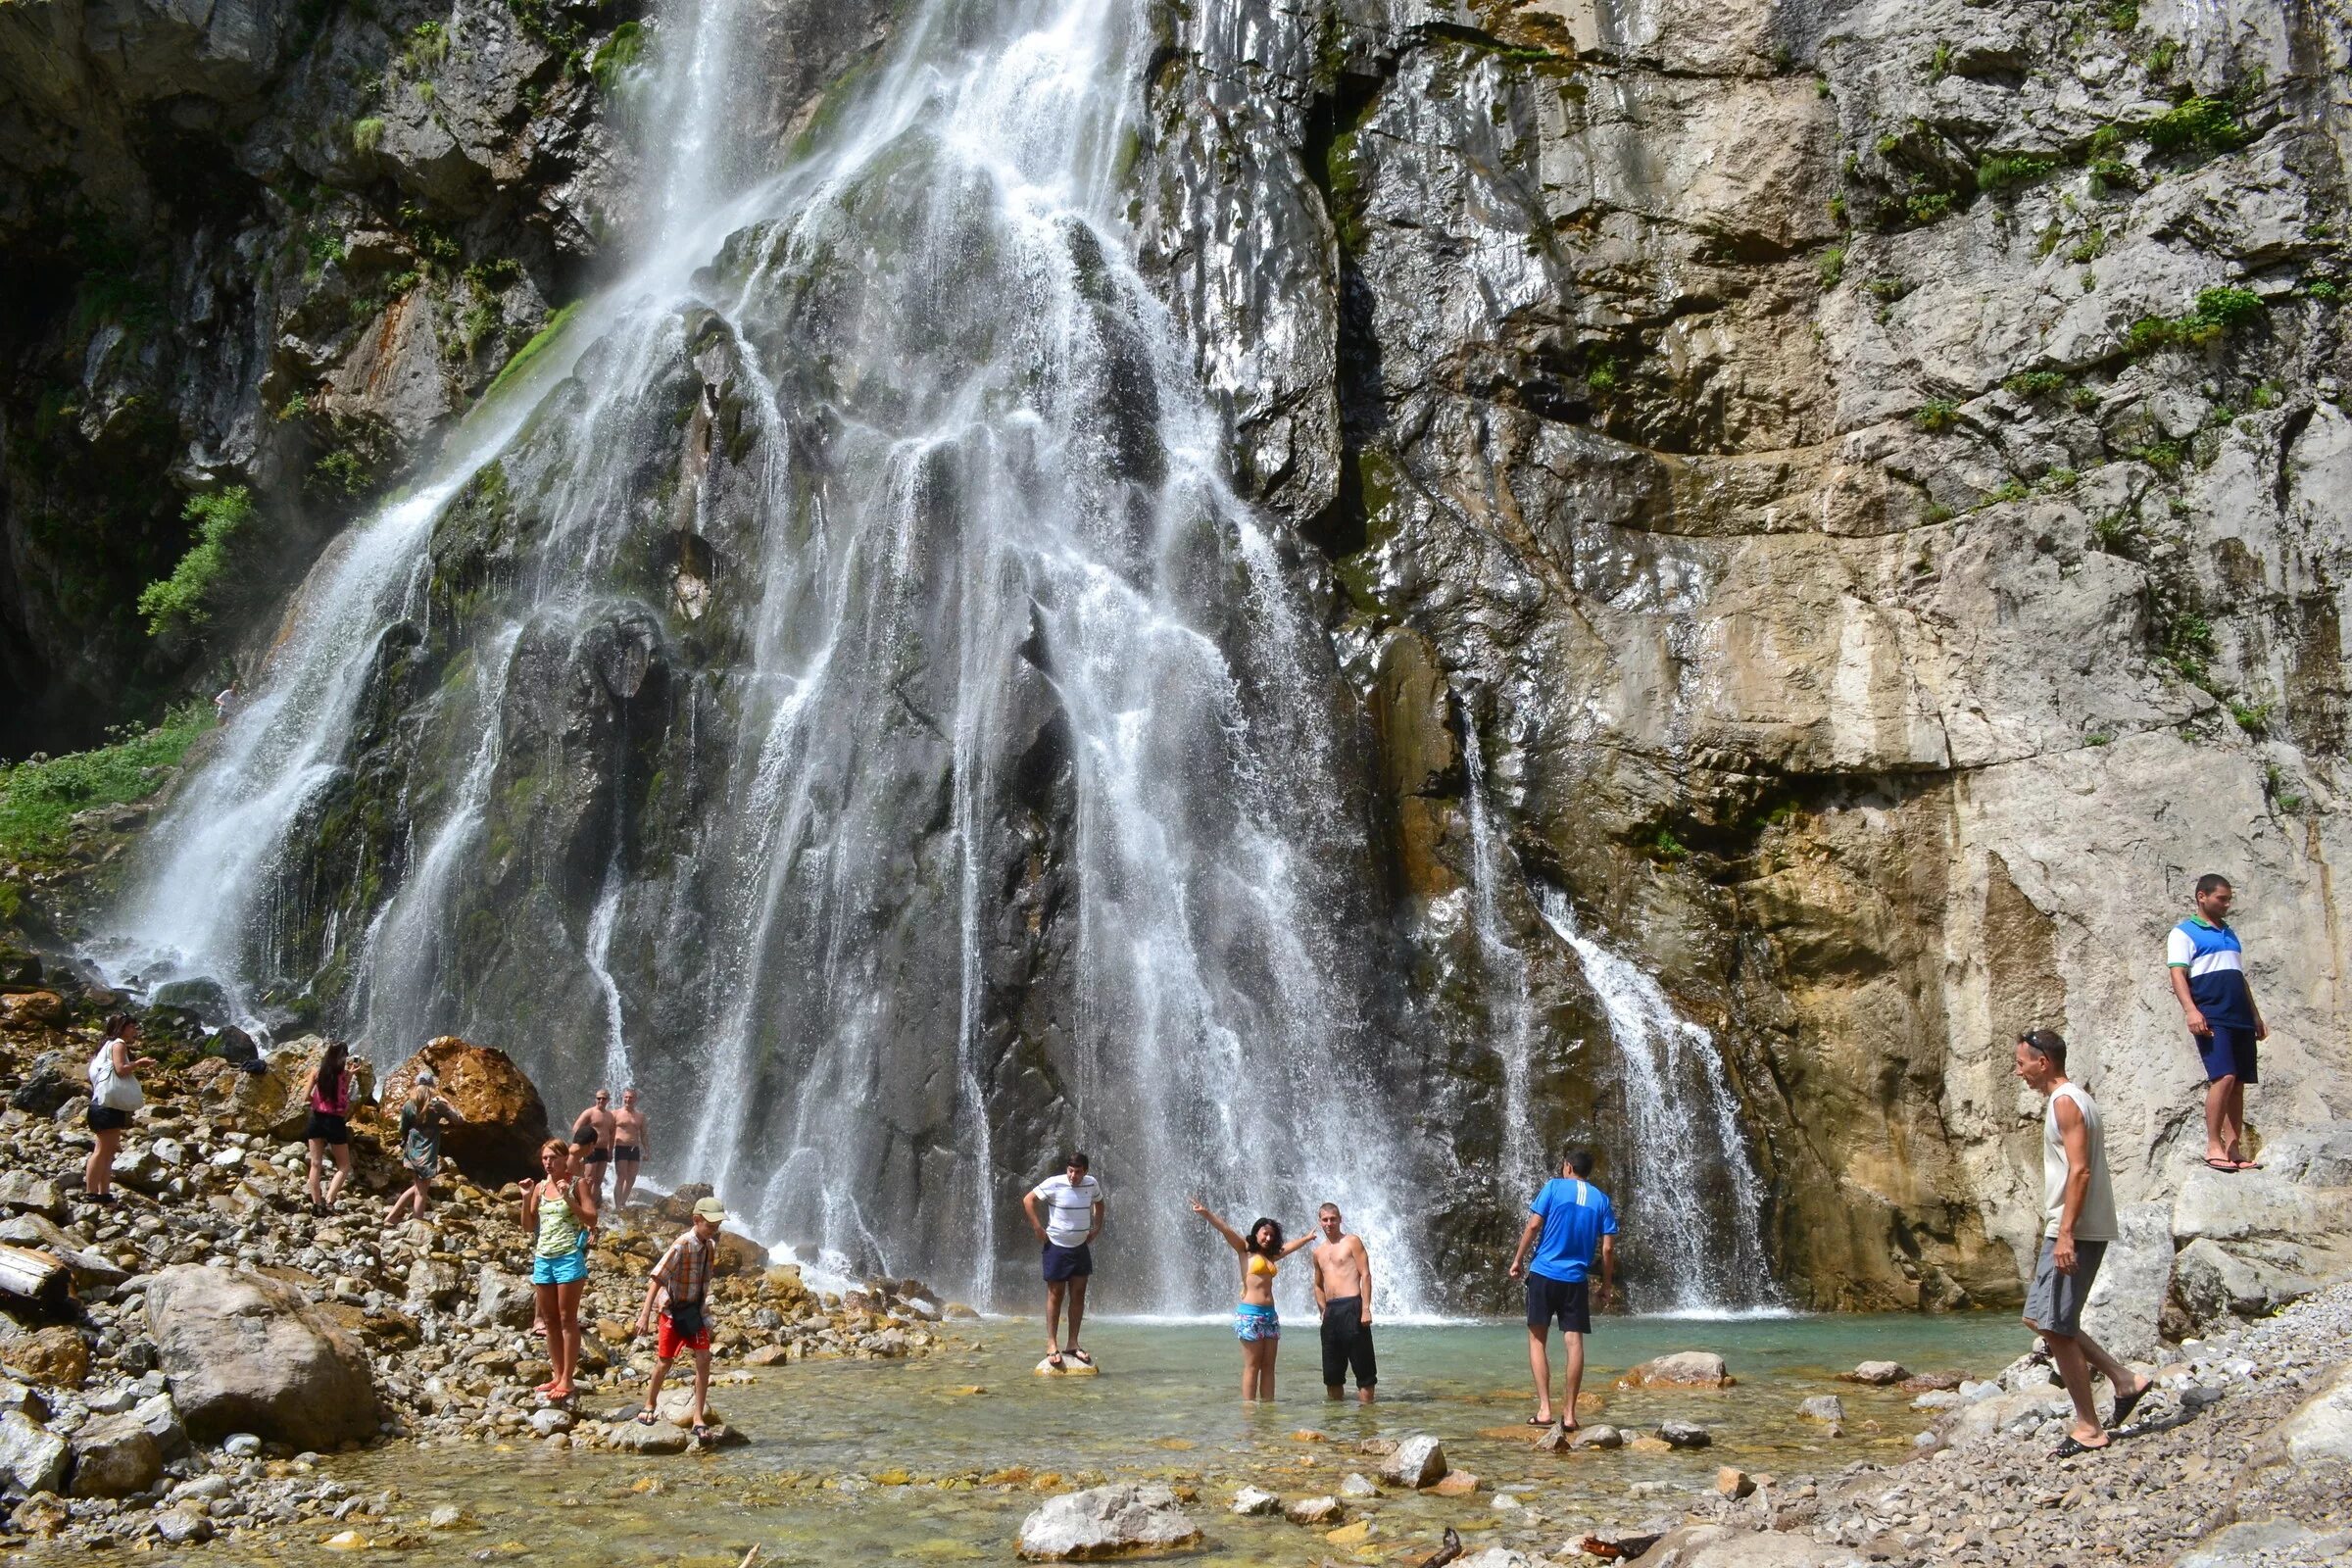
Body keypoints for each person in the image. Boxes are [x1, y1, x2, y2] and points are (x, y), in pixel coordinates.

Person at [2015, 1029, 2151, 1455]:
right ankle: (2123, 1378)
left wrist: (2067, 1233)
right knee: (2041, 1318)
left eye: (2022, 1063)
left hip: (2074, 1228)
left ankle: (2089, 1427)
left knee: (2056, 1324)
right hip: (2067, 1225)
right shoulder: (2071, 1099)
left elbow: (2080, 1171)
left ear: (2044, 1062)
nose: (2019, 1072)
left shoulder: (2067, 1102)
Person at [1506, 1147, 1617, 1430]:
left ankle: (1544, 1410)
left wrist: (1518, 1260)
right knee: (1574, 1343)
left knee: (1537, 1340)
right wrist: (1606, 1285)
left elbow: (1533, 1226)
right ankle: (1569, 1415)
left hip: (1544, 1273)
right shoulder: (1601, 1200)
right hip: (1576, 1279)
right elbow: (1607, 1249)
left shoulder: (1554, 1187)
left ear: (1567, 1166)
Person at [2168, 874, 2269, 1171]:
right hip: (2213, 1014)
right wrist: (2191, 1010)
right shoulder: (2184, 933)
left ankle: (2234, 1149)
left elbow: (2239, 976)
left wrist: (2255, 1015)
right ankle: (2213, 1144)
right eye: (2221, 898)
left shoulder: (2229, 933)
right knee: (2223, 1077)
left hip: (2239, 1015)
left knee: (2238, 1082)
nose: (2227, 904)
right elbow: (2177, 973)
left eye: (2228, 898)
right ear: (2202, 896)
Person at [1190, 1199, 1314, 1400]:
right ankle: (1249, 1409)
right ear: (1256, 1232)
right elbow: (1226, 1230)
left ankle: (1268, 1407)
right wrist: (1206, 1213)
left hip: (1270, 1316)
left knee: (1269, 1366)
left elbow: (1289, 1247)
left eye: (1272, 1235)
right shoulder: (1244, 1249)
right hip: (1250, 1314)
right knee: (1252, 1365)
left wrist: (1307, 1239)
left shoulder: (1271, 1256)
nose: (1268, 1238)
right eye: (1265, 1233)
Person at [635, 1195, 726, 1441]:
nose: (715, 1229)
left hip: (695, 1312)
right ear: (696, 1220)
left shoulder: (710, 1246)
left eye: (718, 1225)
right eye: (711, 1224)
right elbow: (656, 1279)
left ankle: (698, 1417)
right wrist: (644, 1316)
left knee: (704, 1359)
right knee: (665, 1361)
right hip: (673, 1312)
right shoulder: (681, 1245)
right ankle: (649, 1403)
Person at [519, 1137, 598, 1402]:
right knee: (550, 1321)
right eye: (545, 1158)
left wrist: (569, 1198)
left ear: (566, 1159)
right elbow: (529, 1226)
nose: (548, 1163)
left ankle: (568, 1378)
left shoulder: (578, 1184)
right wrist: (526, 1197)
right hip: (543, 1258)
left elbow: (591, 1218)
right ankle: (557, 1373)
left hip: (568, 1258)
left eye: (553, 1158)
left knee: (567, 1319)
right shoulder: (540, 1188)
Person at [1023, 1152, 1104, 1370]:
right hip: (1057, 1246)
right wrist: (1037, 1227)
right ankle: (1052, 1344)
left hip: (1080, 1247)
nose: (1073, 1176)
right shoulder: (1054, 1183)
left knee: (1078, 1293)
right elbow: (1028, 1200)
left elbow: (1100, 1203)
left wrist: (1096, 1228)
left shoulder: (1091, 1184)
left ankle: (1072, 1343)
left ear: (1085, 1171)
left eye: (1078, 1172)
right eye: (1070, 1170)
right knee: (1056, 1294)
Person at [82, 1015, 156, 1208]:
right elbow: (121, 1069)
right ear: (122, 1028)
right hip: (106, 1107)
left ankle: (103, 1193)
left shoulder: (105, 1046)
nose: (135, 1030)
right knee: (101, 1152)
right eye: (132, 1026)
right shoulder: (119, 1044)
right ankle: (91, 1192)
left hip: (99, 1105)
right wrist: (139, 1063)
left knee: (106, 1152)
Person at [1308, 1202, 1377, 1403]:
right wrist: (1323, 1310)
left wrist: (1365, 1308)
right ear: (1320, 1222)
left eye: (1333, 1219)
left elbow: (1366, 1274)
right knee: (1332, 1374)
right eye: (1325, 1219)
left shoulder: (1352, 1241)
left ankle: (1367, 1421)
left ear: (1340, 1219)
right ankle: (1336, 1423)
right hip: (1331, 1312)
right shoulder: (1318, 1252)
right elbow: (1318, 1285)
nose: (1329, 1223)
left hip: (1352, 1306)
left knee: (1364, 1372)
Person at [384, 1070, 466, 1226]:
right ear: (431, 1086)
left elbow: (402, 1128)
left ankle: (391, 1217)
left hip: (412, 1148)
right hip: (428, 1150)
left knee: (417, 1187)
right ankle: (417, 1223)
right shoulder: (437, 1105)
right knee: (422, 1190)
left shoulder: (409, 1104)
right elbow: (459, 1120)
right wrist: (448, 1103)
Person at [304, 1040, 356, 1217]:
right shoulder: (343, 1075)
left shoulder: (316, 1073)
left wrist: (318, 1103)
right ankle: (330, 1201)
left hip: (316, 1119)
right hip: (334, 1122)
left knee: (315, 1164)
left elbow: (305, 1097)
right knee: (344, 1166)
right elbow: (343, 1101)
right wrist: (349, 1078)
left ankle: (316, 1204)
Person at [571, 1090, 616, 1201]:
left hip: (603, 1151)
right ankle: (582, 1202)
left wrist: (610, 1151)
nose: (601, 1100)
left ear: (608, 1100)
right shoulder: (589, 1112)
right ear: (595, 1099)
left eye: (604, 1098)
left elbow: (611, 1135)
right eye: (598, 1098)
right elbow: (576, 1128)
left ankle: (592, 1206)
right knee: (589, 1178)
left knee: (598, 1180)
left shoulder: (610, 1116)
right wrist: (582, 1145)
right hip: (591, 1149)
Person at [612, 1088, 649, 1209]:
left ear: (635, 1099)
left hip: (634, 1149)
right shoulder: (615, 1113)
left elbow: (643, 1134)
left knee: (632, 1177)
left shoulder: (640, 1116)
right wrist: (608, 1148)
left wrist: (647, 1151)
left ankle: (623, 1202)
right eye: (626, 1097)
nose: (628, 1099)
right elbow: (609, 1132)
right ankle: (617, 1205)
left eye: (631, 1097)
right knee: (621, 1176)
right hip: (620, 1147)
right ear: (623, 1098)